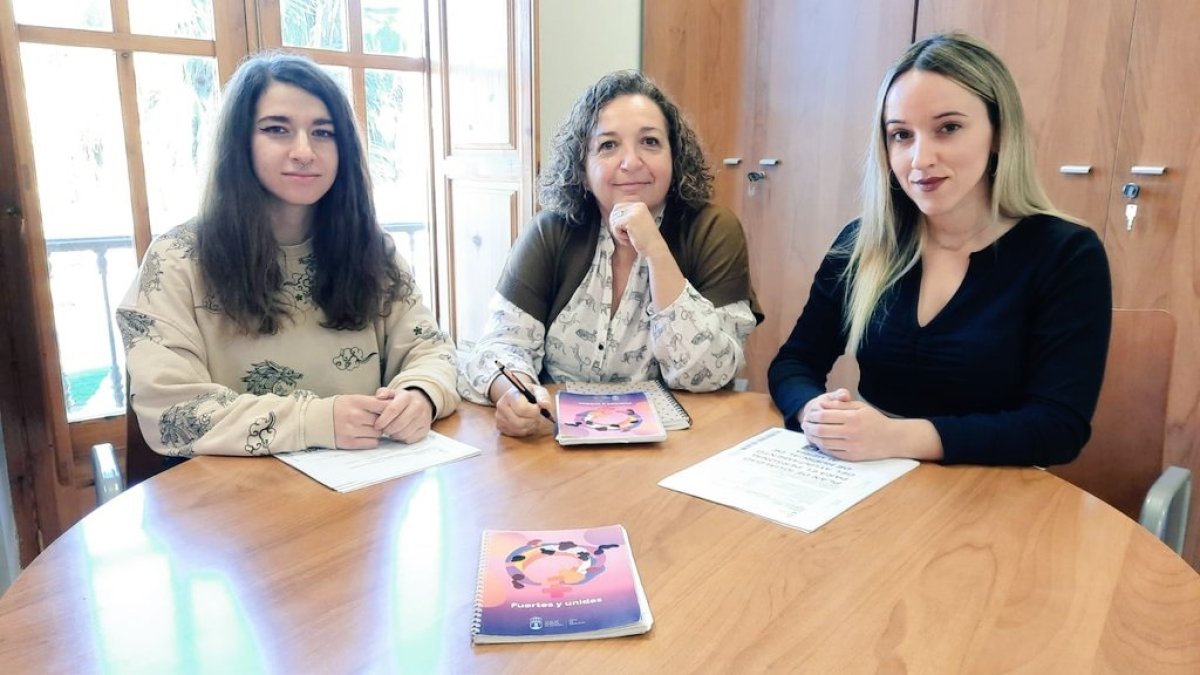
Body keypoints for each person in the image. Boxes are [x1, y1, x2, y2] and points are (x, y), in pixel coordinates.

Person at [768, 33, 1111, 467]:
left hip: (994, 489)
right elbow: (794, 361)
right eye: (901, 135)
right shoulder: (862, 244)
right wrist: (810, 410)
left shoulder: (1066, 254)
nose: (919, 158)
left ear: (999, 134)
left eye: (948, 128)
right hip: (869, 479)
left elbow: (1058, 428)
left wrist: (899, 437)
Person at [117, 52, 459, 457]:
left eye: (324, 132)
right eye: (277, 129)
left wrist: (420, 394)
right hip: (232, 498)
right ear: (240, 142)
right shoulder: (177, 260)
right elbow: (171, 411)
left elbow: (432, 348)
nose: (304, 151)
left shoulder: (371, 250)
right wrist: (316, 421)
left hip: (366, 492)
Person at [459, 70, 762, 438]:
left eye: (650, 142)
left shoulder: (714, 230)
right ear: (583, 170)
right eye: (607, 146)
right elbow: (500, 345)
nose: (631, 162)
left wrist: (655, 250)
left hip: (676, 445)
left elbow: (707, 373)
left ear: (674, 158)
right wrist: (516, 394)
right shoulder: (551, 230)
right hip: (555, 440)